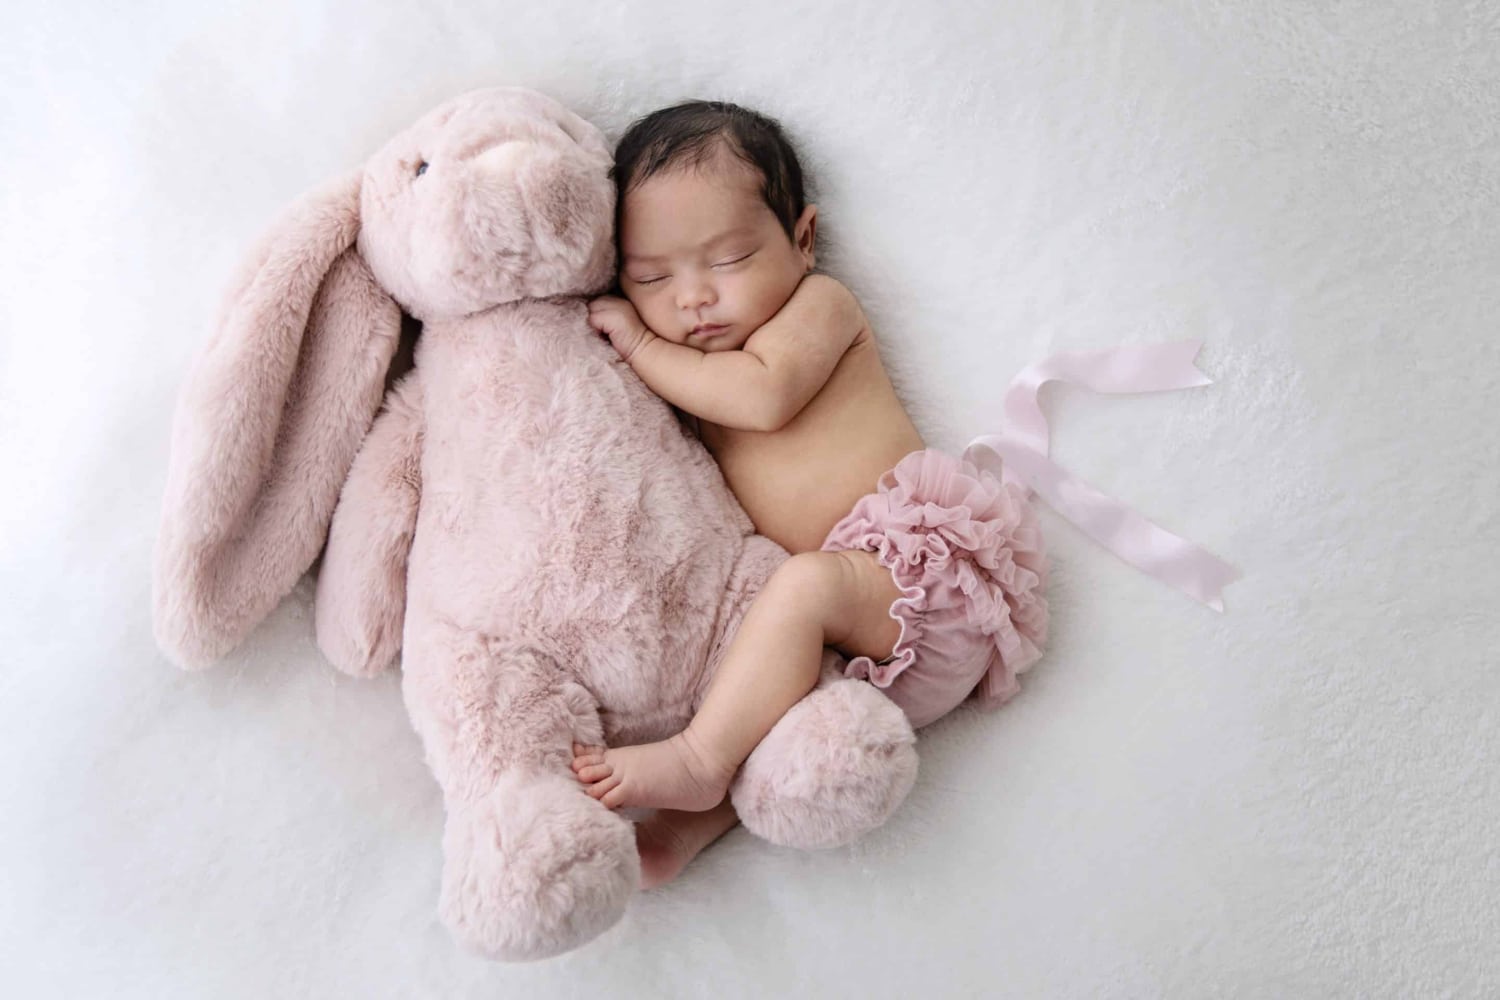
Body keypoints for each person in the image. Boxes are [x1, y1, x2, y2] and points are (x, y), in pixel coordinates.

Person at [573, 100, 1049, 888]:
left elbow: (764, 398)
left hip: (919, 588)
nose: (691, 297)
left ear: (802, 239)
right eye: (651, 276)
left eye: (726, 260)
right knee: (759, 674)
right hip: (839, 649)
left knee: (806, 586)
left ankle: (698, 759)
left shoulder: (818, 308)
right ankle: (688, 829)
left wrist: (638, 337)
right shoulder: (687, 378)